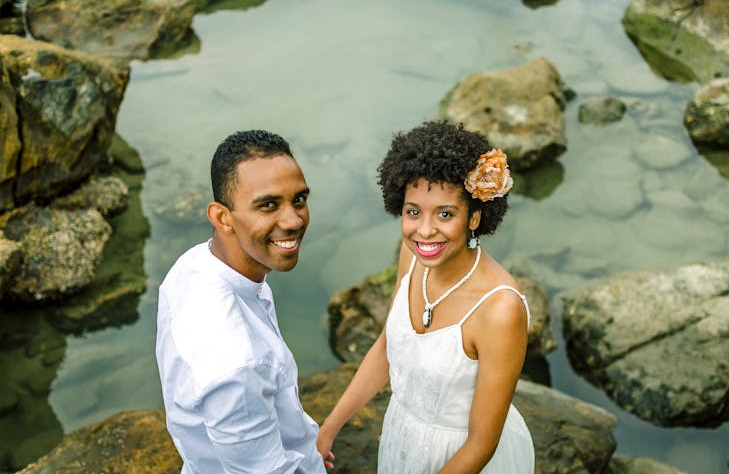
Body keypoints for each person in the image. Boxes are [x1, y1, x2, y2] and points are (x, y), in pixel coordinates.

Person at [317, 120, 534, 474]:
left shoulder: (500, 308)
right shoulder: (414, 259)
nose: (425, 230)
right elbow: (388, 347)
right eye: (413, 211)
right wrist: (329, 428)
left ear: (475, 217)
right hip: (403, 435)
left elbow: (482, 443)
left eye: (445, 214)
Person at [155, 130, 330, 474]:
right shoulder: (238, 359)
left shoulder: (194, 265)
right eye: (268, 205)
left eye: (299, 199)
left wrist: (303, 446)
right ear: (222, 218)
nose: (294, 220)